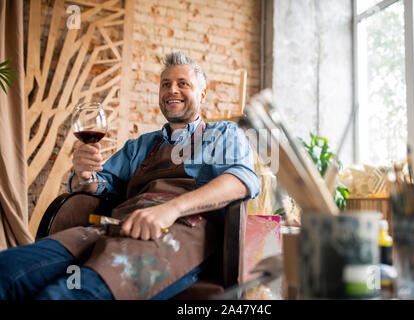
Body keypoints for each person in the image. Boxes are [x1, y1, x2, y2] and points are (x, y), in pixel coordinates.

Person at [0, 50, 261, 300]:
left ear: (202, 94)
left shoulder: (224, 134)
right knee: (7, 269)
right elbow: (101, 186)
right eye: (165, 84)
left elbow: (241, 180)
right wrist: (86, 174)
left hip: (178, 235)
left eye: (183, 83)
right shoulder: (141, 146)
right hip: (114, 227)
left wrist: (171, 209)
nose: (172, 90)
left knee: (65, 295)